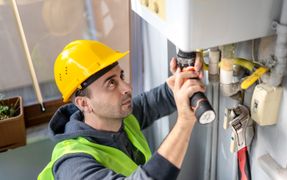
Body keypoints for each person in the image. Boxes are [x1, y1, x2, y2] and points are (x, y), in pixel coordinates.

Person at [38, 40, 205, 180]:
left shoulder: (119, 117)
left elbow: (158, 100)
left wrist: (184, 75)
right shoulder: (73, 164)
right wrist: (184, 123)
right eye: (111, 83)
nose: (127, 88)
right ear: (84, 103)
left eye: (121, 77)